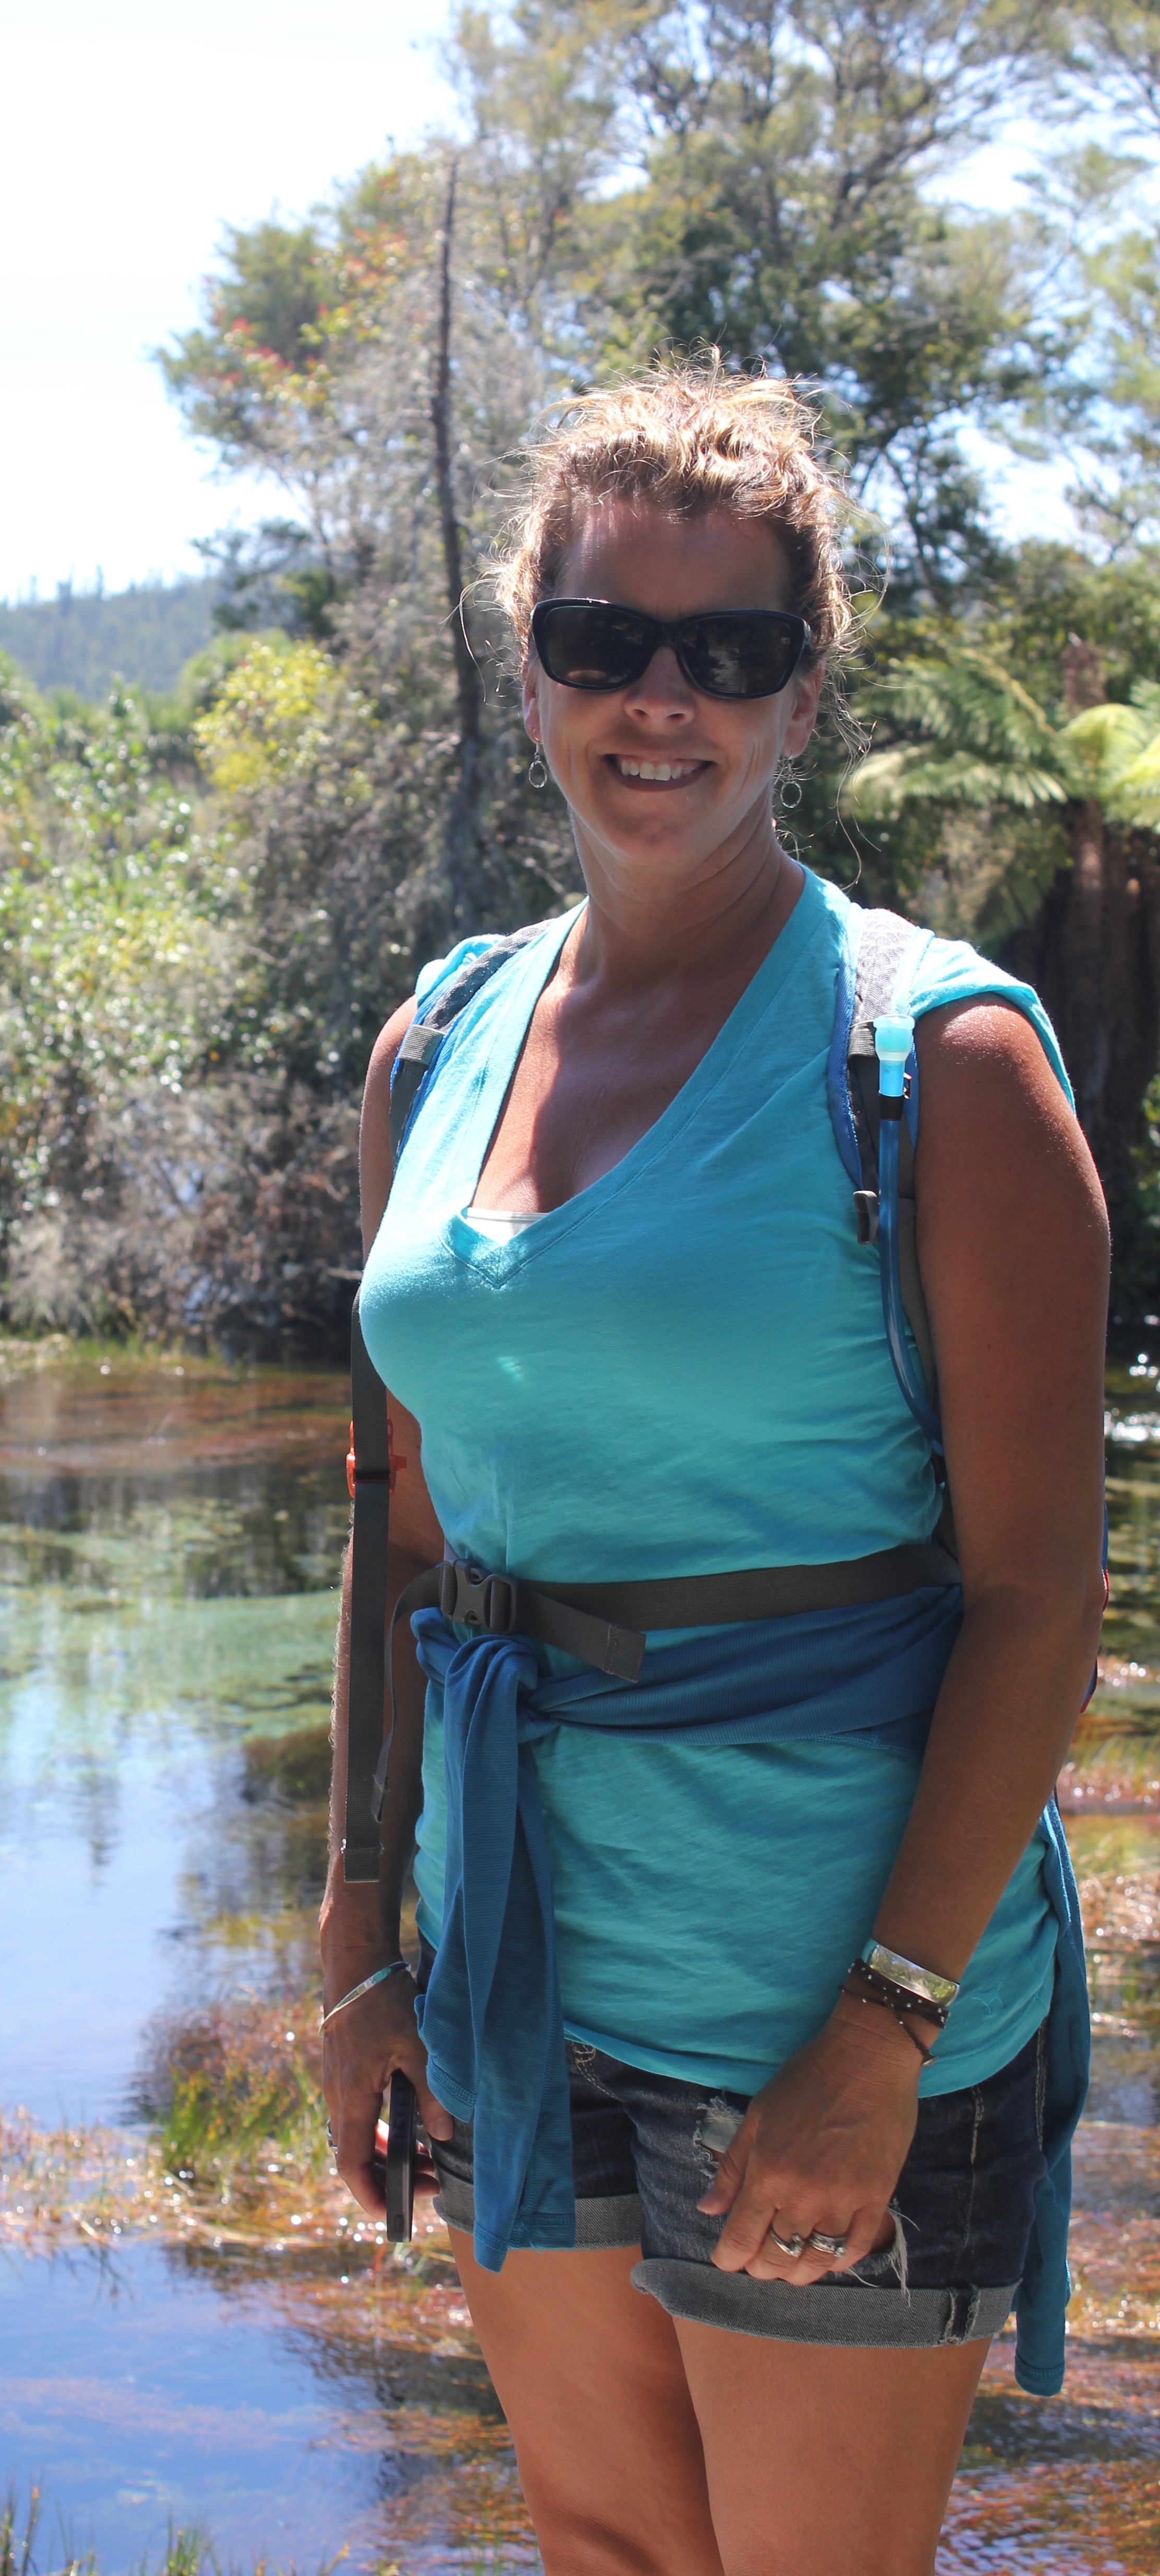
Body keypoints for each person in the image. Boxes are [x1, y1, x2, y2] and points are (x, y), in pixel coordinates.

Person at [319, 367, 1108, 2576]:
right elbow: (400, 1531)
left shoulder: (938, 1065)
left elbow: (1043, 1599)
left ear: (802, 692)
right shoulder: (432, 1047)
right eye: (603, 640)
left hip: (822, 1987)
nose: (658, 699)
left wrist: (888, 2030)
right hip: (507, 1970)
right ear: (532, 669)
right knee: (608, 2546)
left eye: (728, 649)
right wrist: (359, 1928)